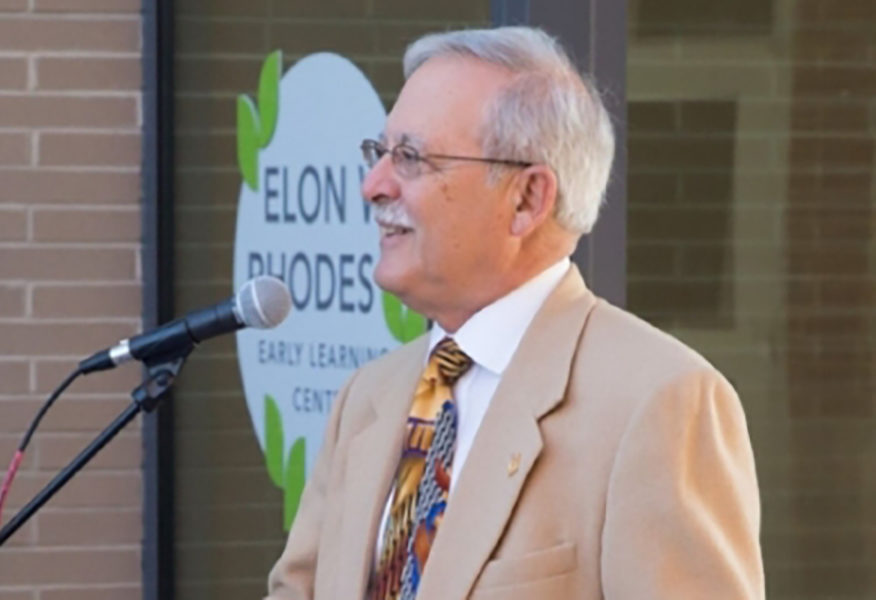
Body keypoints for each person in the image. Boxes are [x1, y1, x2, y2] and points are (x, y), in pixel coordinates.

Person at [266, 26, 764, 600]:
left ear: (527, 199)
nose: (373, 186)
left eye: (410, 157)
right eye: (379, 153)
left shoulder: (661, 402)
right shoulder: (368, 396)